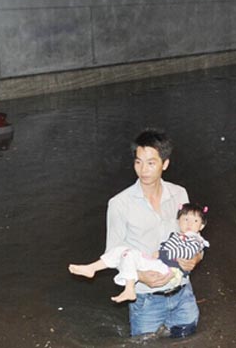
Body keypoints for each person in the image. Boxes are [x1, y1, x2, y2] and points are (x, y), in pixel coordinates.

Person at [79, 128, 203, 338]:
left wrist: (196, 258)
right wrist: (141, 276)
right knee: (146, 342)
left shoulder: (179, 194)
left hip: (183, 292)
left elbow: (193, 235)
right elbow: (114, 254)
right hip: (146, 300)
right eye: (138, 162)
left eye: (151, 163)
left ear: (165, 164)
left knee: (187, 337)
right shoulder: (119, 204)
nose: (143, 169)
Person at [69, 202, 210, 304]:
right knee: (125, 252)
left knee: (130, 255)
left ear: (201, 226)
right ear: (178, 221)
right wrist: (161, 253)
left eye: (195, 220)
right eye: (186, 219)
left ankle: (129, 288)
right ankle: (93, 268)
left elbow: (185, 253)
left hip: (170, 271)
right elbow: (169, 247)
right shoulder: (177, 235)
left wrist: (162, 254)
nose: (190, 223)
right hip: (159, 265)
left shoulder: (196, 240)